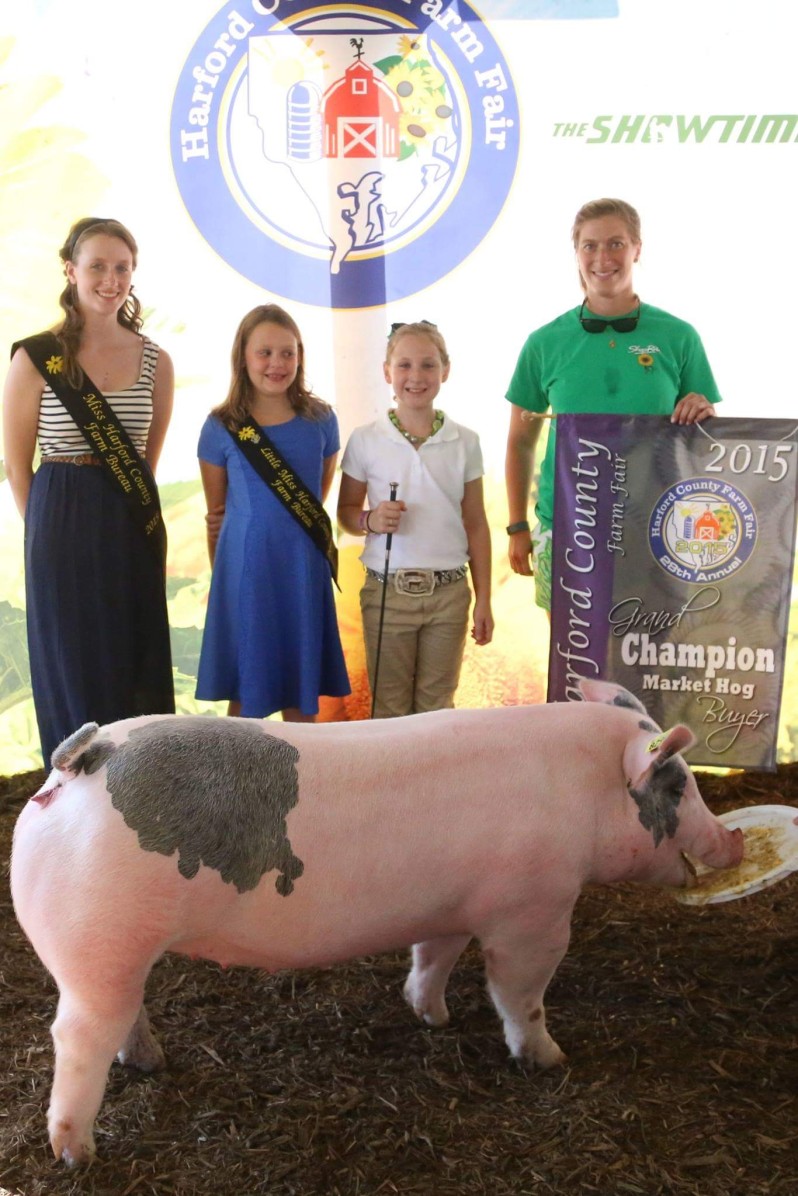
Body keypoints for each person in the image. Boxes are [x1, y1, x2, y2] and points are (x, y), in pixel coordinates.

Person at [2, 216, 175, 763]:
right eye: (97, 265)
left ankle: (139, 801)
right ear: (70, 270)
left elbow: (145, 462)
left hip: (128, 520)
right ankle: (75, 809)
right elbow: (16, 463)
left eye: (121, 267)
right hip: (59, 517)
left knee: (132, 656)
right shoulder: (34, 357)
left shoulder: (156, 361)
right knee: (70, 662)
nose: (110, 278)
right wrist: (45, 536)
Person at [505, 197, 720, 611]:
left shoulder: (679, 337)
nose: (603, 257)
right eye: (590, 245)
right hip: (568, 530)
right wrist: (517, 526)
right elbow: (520, 443)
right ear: (577, 253)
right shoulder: (544, 343)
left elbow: (705, 443)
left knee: (650, 665)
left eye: (616, 244)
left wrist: (702, 411)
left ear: (637, 248)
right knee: (576, 667)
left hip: (657, 530)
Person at [196, 304, 350, 722]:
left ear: (300, 356)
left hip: (302, 567)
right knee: (247, 693)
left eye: (288, 352)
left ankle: (309, 783)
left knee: (303, 697)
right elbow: (217, 514)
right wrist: (227, 581)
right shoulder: (220, 426)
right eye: (264, 352)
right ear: (243, 356)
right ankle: (239, 785)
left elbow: (313, 498)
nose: (276, 364)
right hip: (247, 571)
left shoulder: (321, 420)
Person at [337, 320, 493, 718]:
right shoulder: (365, 439)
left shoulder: (466, 441)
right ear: (387, 372)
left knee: (437, 711)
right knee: (389, 710)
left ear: (446, 370)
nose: (416, 377)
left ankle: (432, 783)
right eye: (404, 365)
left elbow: (475, 523)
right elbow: (346, 515)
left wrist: (484, 600)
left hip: (449, 597)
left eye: (427, 365)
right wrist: (371, 521)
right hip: (387, 593)